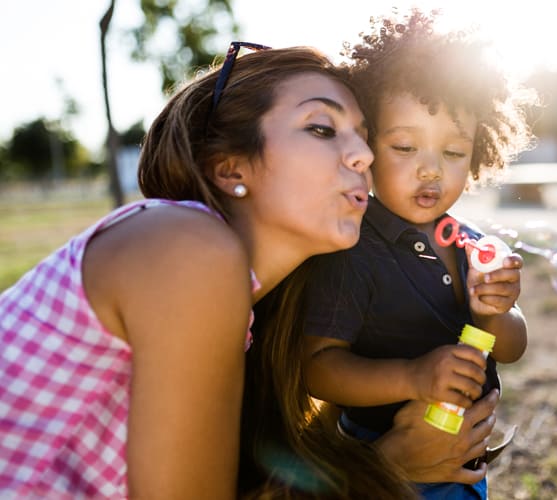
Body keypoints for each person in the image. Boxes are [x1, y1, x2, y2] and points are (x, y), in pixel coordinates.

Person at [0, 43, 376, 498]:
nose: (363, 156)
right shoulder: (185, 245)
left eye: (364, 136)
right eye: (322, 128)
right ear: (228, 167)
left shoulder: (247, 316)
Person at [298, 10, 537, 500]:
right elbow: (318, 366)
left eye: (453, 153)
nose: (431, 171)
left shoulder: (470, 243)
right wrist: (412, 376)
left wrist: (495, 313)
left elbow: (510, 348)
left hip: (464, 465)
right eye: (405, 147)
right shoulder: (355, 248)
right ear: (365, 144)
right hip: (388, 465)